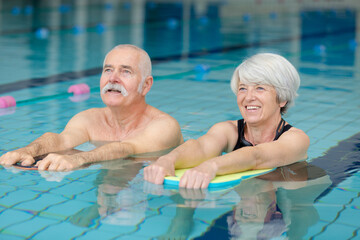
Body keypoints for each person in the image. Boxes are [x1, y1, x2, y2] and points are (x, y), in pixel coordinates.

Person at [0, 44, 183, 171]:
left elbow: (127, 149)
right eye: (108, 70)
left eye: (126, 71)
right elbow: (62, 141)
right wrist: (27, 151)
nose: (113, 78)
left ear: (146, 85)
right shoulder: (89, 118)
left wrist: (78, 158)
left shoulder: (164, 126)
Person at [144, 53, 310, 189]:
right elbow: (200, 147)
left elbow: (257, 156)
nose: (248, 97)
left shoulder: (296, 139)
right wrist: (167, 160)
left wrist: (211, 166)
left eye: (260, 88)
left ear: (282, 99)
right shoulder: (228, 130)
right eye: (243, 88)